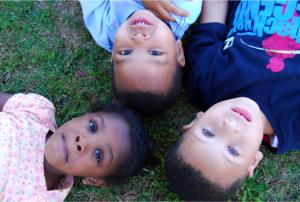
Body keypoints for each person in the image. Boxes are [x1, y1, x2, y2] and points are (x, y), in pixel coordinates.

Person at [165, 0, 300, 200]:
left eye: (208, 132)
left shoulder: (205, 80)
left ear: (195, 121)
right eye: (233, 151)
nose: (229, 126)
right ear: (253, 161)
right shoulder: (294, 122)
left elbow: (214, 13)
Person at [0, 92, 151, 201]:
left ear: (94, 180)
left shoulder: (34, 198)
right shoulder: (38, 111)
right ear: (81, 116)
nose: (82, 142)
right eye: (92, 126)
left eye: (98, 154)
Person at [79, 0, 202, 115]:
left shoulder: (104, 29)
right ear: (179, 51)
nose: (138, 39)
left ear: (113, 52)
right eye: (155, 53)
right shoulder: (183, 8)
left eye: (125, 52)